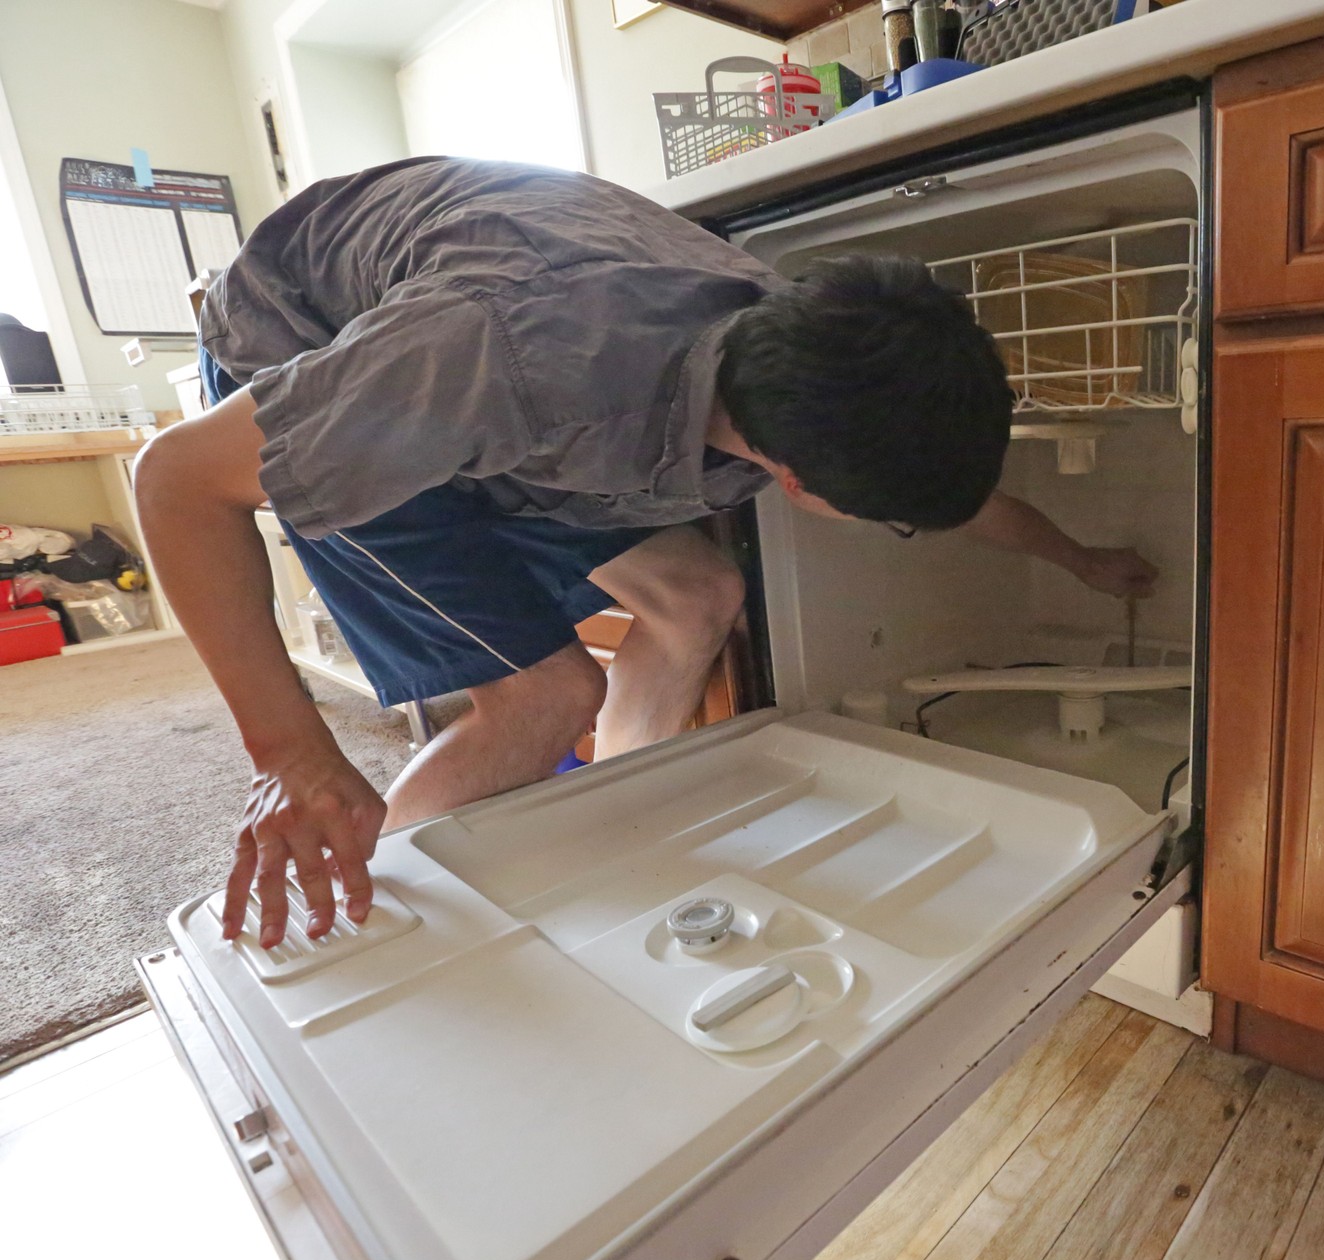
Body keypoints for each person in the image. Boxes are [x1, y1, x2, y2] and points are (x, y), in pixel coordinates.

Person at [134, 156, 1157, 954]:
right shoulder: (505, 358)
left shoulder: (786, 343)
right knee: (546, 697)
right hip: (309, 339)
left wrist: (1082, 560)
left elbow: (963, 500)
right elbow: (175, 481)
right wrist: (294, 754)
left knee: (698, 591)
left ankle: (610, 841)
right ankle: (368, 932)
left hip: (496, 366)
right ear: (796, 483)